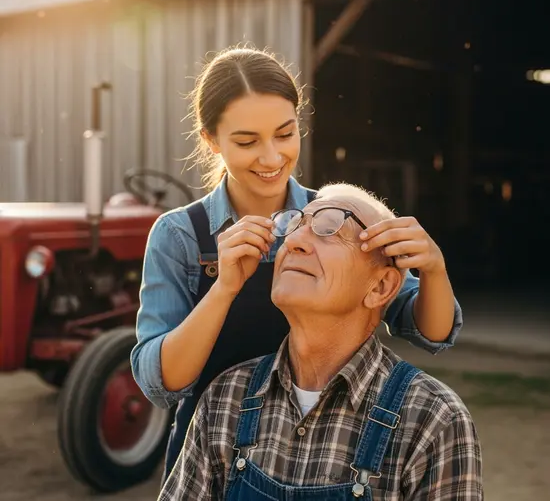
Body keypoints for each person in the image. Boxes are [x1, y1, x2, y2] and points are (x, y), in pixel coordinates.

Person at [130, 46, 463, 481]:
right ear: (211, 140)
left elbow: (429, 333)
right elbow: (161, 383)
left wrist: (433, 268)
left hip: (324, 459)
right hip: (215, 462)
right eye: (247, 142)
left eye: (285, 134)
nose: (271, 158)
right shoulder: (179, 236)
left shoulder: (339, 217)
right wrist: (225, 287)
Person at [158, 182, 482, 501]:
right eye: (293, 224)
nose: (294, 241)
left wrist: (435, 269)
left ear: (381, 287)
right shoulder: (224, 399)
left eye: (329, 228)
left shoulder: (433, 420)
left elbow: (437, 328)